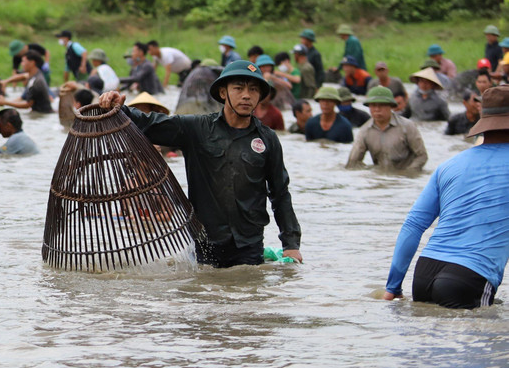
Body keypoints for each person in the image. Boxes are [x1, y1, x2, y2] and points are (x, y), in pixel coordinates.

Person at [96, 60, 302, 267]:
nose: (246, 95)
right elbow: (151, 124)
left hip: (249, 245)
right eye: (238, 88)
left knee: (248, 291)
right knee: (204, 292)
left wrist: (291, 244)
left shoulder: (267, 139)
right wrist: (120, 109)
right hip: (205, 243)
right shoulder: (197, 129)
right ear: (223, 93)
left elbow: (280, 193)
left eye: (254, 89)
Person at [384, 85, 509, 308]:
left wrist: (393, 286)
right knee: (490, 340)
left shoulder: (449, 165)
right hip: (470, 276)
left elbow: (413, 225)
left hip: (424, 274)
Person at [347, 86, 427, 171]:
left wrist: (408, 173)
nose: (377, 109)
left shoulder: (407, 126)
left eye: (382, 105)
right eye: (373, 105)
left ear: (391, 106)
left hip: (404, 178)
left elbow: (422, 156)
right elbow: (353, 162)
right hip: (380, 177)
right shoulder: (365, 131)